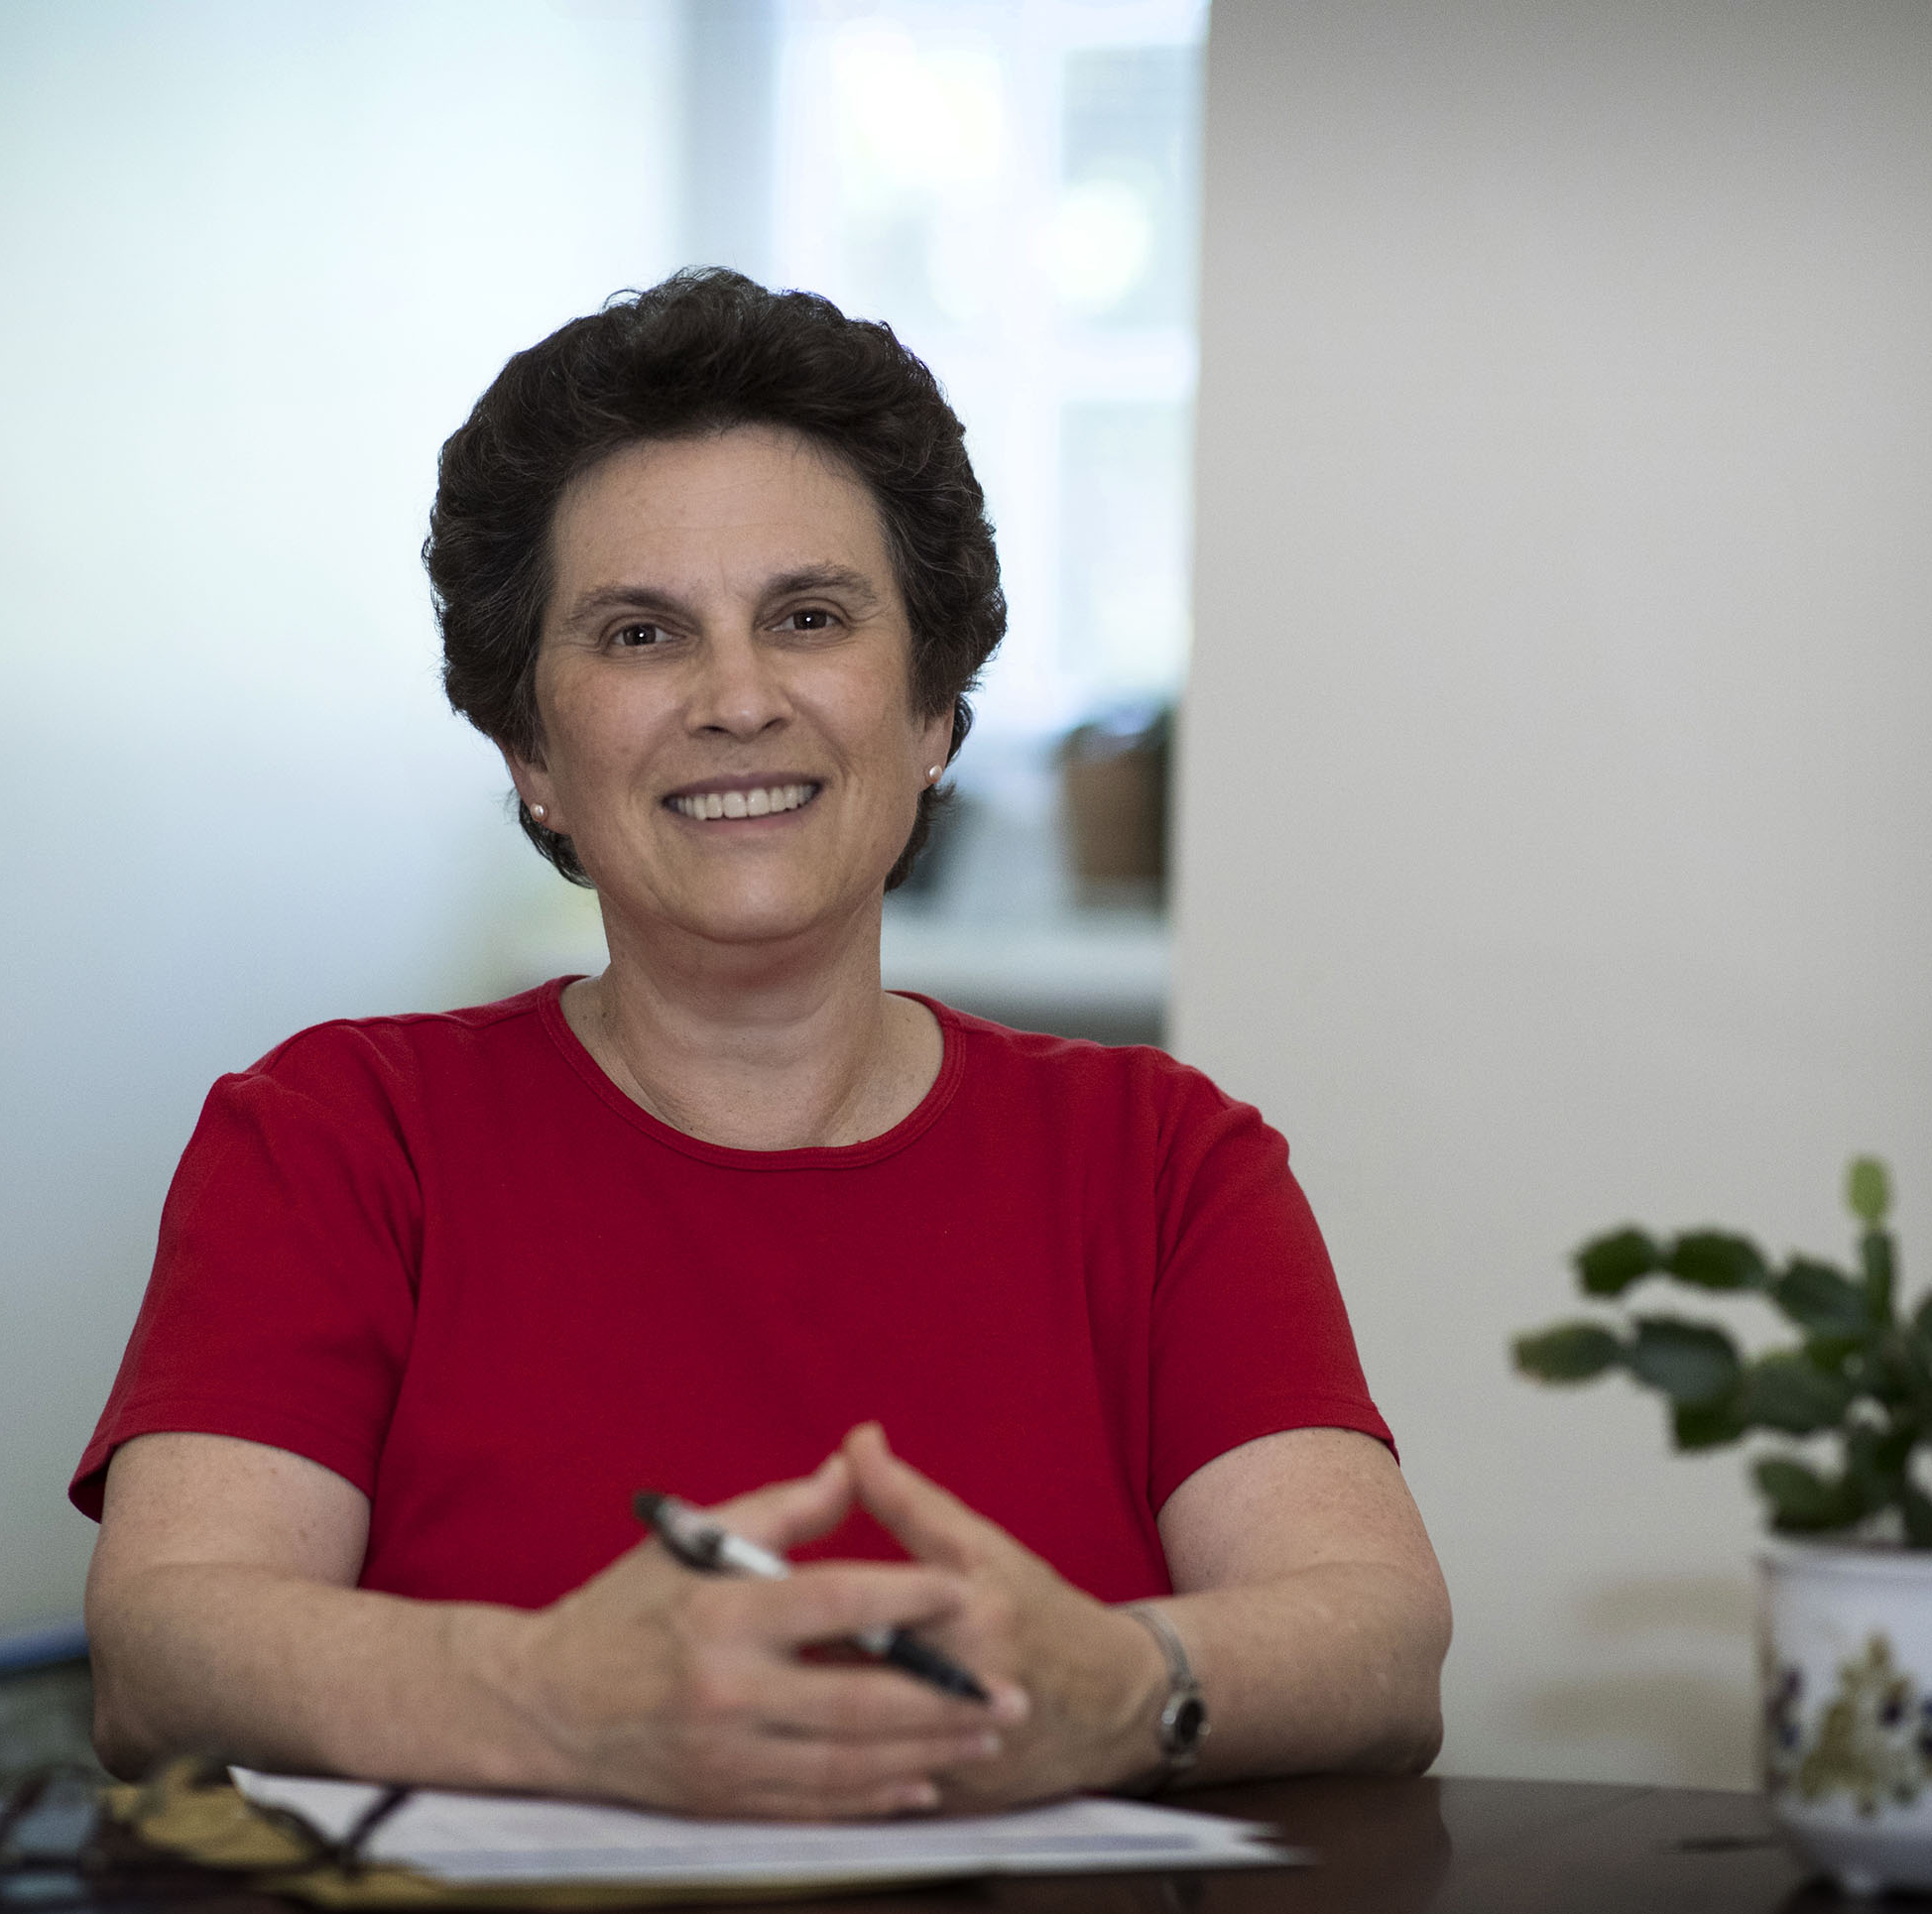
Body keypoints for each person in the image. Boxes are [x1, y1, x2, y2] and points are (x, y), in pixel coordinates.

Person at [72, 269, 1451, 1820]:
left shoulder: (1162, 1159)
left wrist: (1124, 1688)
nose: (736, 700)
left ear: (933, 711)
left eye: (807, 617)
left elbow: (1381, 1647)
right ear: (532, 751)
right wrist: (550, 1706)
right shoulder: (337, 1133)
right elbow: (162, 1652)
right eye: (642, 633)